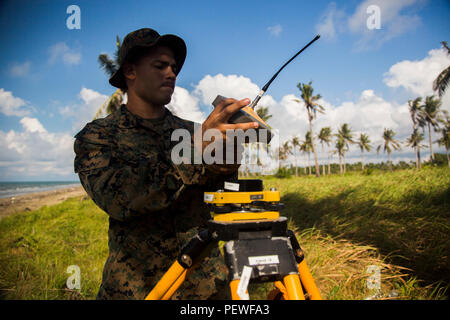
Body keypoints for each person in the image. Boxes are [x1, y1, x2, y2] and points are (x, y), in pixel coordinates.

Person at [73, 28, 258, 299]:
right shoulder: (98, 136)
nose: (171, 73)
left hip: (206, 289)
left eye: (174, 67)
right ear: (130, 72)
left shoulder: (197, 132)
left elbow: (225, 201)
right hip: (135, 289)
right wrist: (195, 149)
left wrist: (227, 160)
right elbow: (120, 199)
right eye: (160, 65)